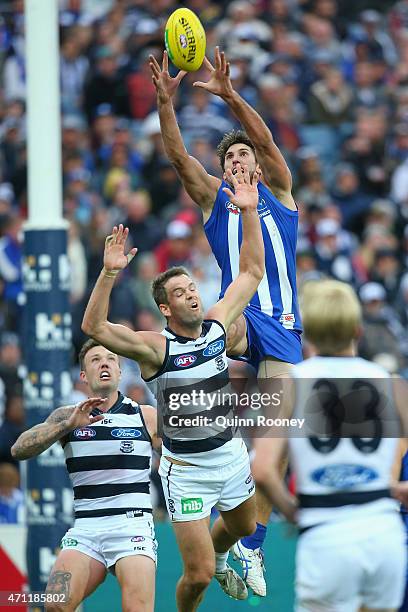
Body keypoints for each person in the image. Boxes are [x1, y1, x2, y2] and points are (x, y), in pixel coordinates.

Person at [149, 46, 302, 596]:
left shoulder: (280, 192)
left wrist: (230, 95)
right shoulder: (215, 200)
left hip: (283, 325)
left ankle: (248, 549)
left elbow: (263, 141)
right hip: (240, 313)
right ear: (223, 170)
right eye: (230, 158)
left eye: (244, 156)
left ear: (258, 165)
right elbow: (177, 157)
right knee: (221, 336)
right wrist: (167, 103)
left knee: (275, 438)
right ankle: (179, 400)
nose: (238, 161)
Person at [81, 164, 264, 611]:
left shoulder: (218, 326)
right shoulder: (154, 349)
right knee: (197, 577)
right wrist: (108, 274)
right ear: (165, 307)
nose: (191, 294)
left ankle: (226, 555)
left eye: (191, 288)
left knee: (242, 527)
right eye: (180, 293)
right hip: (188, 471)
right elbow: (93, 326)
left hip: (231, 454)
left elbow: (253, 270)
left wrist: (251, 211)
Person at [251, 279, 407, 612]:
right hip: (384, 533)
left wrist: (292, 510)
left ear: (309, 335)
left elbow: (262, 469)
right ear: (357, 330)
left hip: (326, 533)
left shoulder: (291, 384)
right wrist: (393, 487)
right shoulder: (392, 383)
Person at [11, 339, 159, 612]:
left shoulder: (144, 416)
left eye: (111, 358)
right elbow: (19, 448)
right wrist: (66, 426)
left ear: (119, 369)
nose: (104, 363)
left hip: (132, 527)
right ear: (83, 375)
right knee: (54, 605)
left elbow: (187, 452)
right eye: (95, 360)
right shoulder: (68, 415)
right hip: (87, 529)